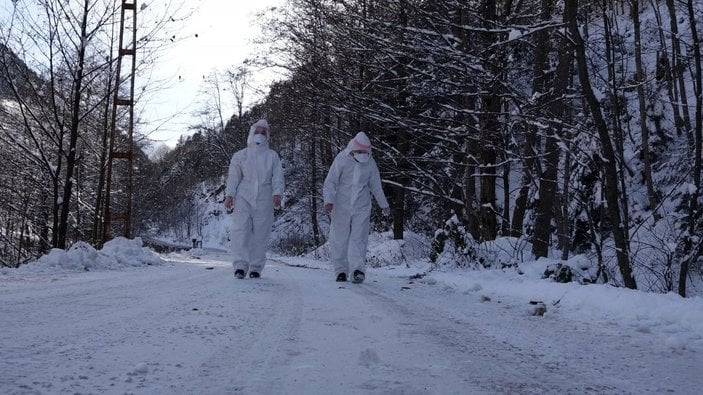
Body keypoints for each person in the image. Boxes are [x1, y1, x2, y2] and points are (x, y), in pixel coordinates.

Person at [323, 131, 390, 283]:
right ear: (353, 149)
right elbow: (330, 182)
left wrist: (384, 204)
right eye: (360, 152)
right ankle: (340, 270)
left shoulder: (370, 162)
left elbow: (376, 186)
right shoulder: (341, 159)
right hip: (341, 205)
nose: (362, 154)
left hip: (362, 205)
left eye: (365, 152)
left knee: (359, 238)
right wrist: (329, 200)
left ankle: (357, 270)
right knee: (339, 238)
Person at [224, 119, 284, 279]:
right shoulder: (241, 155)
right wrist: (230, 194)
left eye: (264, 132)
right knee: (240, 230)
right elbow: (233, 177)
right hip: (244, 196)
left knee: (261, 234)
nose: (260, 135)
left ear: (268, 136)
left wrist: (277, 193)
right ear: (251, 132)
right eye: (257, 131)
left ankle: (256, 267)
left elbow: (278, 176)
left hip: (265, 198)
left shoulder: (272, 156)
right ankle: (240, 266)